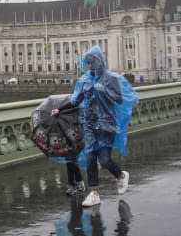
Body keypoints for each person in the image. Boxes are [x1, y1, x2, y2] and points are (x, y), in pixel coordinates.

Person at [52, 45, 139, 208]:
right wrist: (60, 110)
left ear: (99, 61)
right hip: (89, 124)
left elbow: (120, 100)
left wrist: (104, 91)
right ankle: (94, 193)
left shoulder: (110, 79)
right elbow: (75, 100)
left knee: (105, 160)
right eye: (87, 62)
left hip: (106, 124)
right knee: (91, 156)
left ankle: (120, 176)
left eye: (92, 62)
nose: (89, 65)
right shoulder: (84, 80)